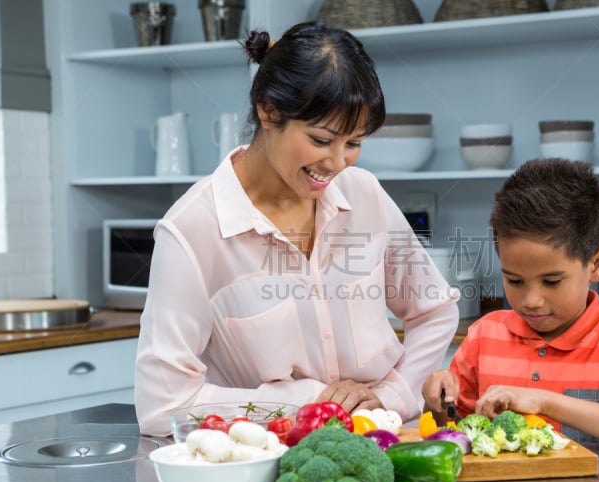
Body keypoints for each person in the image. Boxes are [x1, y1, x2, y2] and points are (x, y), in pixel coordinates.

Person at [135, 21, 459, 437]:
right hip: (271, 467)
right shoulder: (192, 232)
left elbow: (434, 310)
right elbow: (163, 406)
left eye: (354, 143)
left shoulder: (363, 195)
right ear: (269, 110)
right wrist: (302, 402)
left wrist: (393, 393)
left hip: (388, 446)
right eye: (322, 140)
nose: (338, 163)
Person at [422, 158, 599, 447]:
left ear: (597, 264)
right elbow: (454, 431)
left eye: (551, 281)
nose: (531, 300)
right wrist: (437, 402)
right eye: (514, 281)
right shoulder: (484, 335)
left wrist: (544, 402)